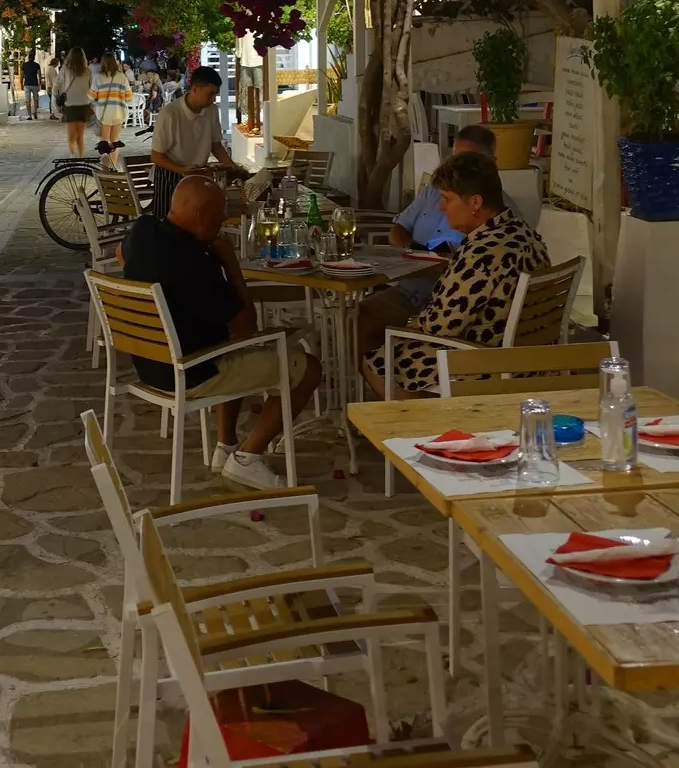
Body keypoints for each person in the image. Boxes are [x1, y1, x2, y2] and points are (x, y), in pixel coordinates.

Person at [122, 175, 322, 489]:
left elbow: (123, 257)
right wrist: (230, 265)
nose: (222, 222)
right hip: (192, 372)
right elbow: (247, 328)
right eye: (219, 216)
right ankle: (248, 458)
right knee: (308, 369)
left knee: (230, 347)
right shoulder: (194, 265)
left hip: (150, 364)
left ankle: (226, 445)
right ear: (202, 216)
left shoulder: (142, 231)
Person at [360, 150, 550, 397]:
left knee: (380, 361)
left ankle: (416, 428)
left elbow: (440, 326)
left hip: (486, 359)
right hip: (528, 353)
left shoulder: (482, 252)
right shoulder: (522, 233)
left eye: (447, 199)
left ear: (475, 203)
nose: (441, 207)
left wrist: (408, 325)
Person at [149, 65, 243, 219]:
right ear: (194, 89)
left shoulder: (212, 110)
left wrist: (233, 168)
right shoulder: (170, 113)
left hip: (198, 174)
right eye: (210, 94)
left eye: (215, 95)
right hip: (170, 175)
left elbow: (216, 146)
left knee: (197, 223)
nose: (213, 99)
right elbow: (156, 157)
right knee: (167, 226)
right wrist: (181, 170)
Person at [389, 123, 498, 253]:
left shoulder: (493, 213)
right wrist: (413, 255)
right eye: (454, 159)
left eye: (466, 162)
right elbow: (400, 226)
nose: (456, 167)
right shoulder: (434, 190)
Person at [90, 51, 134, 167]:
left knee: (104, 142)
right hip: (118, 112)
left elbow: (92, 96)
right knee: (115, 141)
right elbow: (129, 97)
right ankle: (113, 166)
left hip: (104, 114)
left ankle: (106, 168)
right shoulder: (121, 77)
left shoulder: (98, 77)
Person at [58, 47, 95, 157]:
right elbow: (91, 87)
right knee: (80, 135)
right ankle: (80, 156)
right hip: (84, 104)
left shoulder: (65, 69)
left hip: (70, 104)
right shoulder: (88, 71)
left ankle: (72, 155)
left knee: (71, 136)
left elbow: (58, 83)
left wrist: (56, 100)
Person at [20, 53, 42, 121]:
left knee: (27, 101)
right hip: (34, 84)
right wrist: (40, 84)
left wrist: (21, 83)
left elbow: (22, 75)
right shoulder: (37, 65)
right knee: (35, 99)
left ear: (28, 57)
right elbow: (39, 75)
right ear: (34, 58)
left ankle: (29, 115)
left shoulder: (24, 65)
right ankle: (35, 112)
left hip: (27, 84)